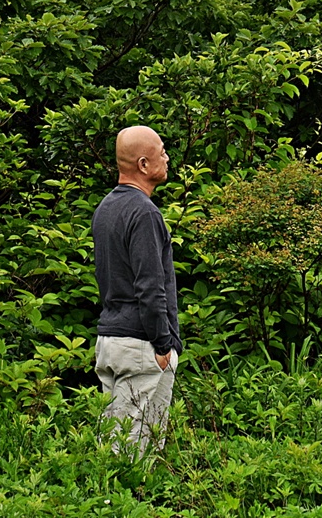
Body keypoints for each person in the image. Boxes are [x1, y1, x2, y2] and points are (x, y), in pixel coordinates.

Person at [92, 125, 182, 453]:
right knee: (130, 455)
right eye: (161, 151)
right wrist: (163, 345)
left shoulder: (106, 209)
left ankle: (111, 502)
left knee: (114, 443)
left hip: (112, 341)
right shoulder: (144, 213)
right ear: (144, 165)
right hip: (141, 346)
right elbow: (150, 288)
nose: (166, 157)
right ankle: (121, 503)